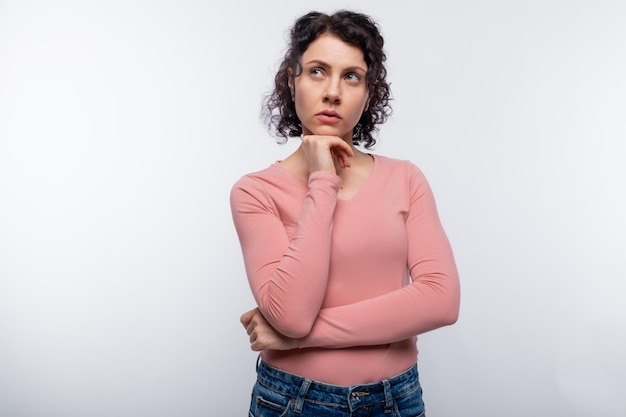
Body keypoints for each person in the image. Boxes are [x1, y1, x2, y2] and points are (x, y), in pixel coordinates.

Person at [230, 9, 460, 417]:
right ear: (291, 81)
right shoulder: (256, 191)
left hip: (396, 399)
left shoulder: (405, 179)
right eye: (317, 71)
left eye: (351, 76)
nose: (333, 91)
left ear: (368, 93)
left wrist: (300, 340)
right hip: (292, 400)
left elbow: (441, 300)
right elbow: (292, 316)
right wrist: (323, 181)